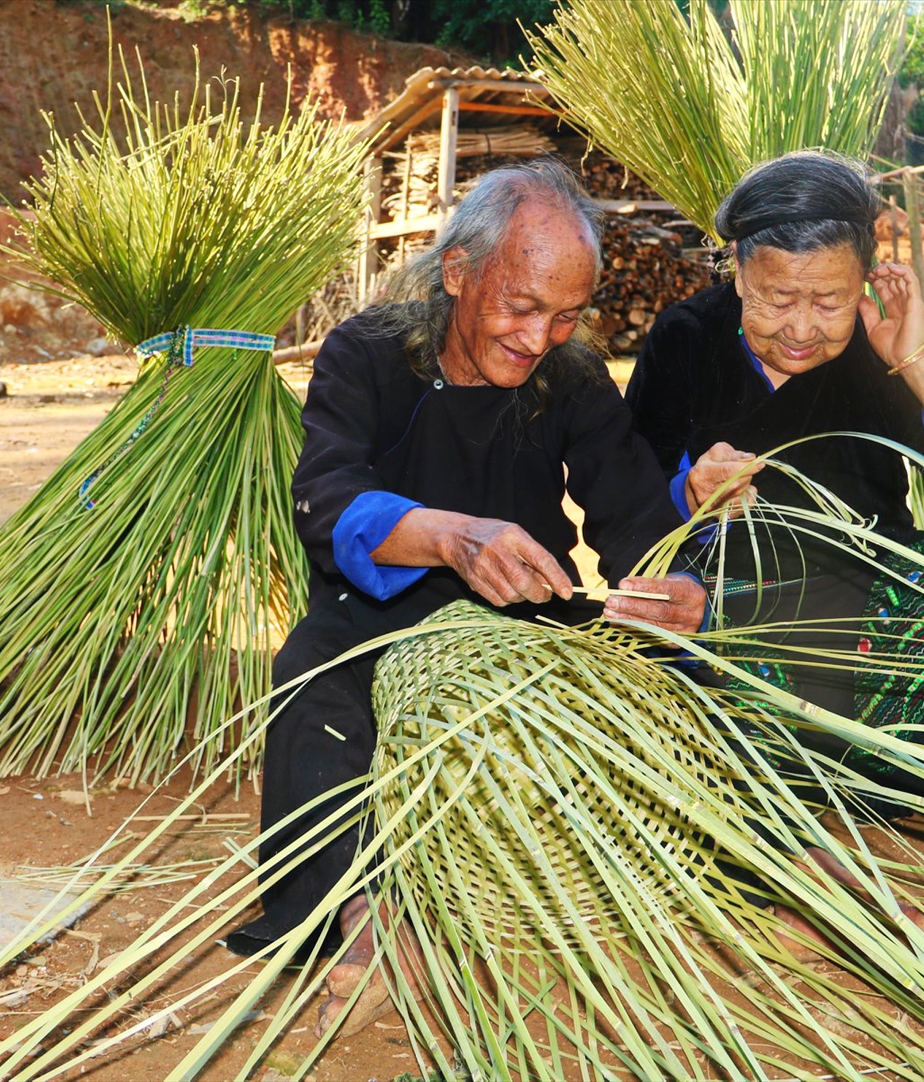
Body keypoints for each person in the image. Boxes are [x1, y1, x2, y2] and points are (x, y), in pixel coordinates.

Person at [224, 160, 706, 1035]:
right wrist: (448, 535)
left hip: (527, 617)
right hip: (373, 615)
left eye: (565, 317)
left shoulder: (574, 379)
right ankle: (360, 923)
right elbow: (325, 499)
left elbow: (633, 513)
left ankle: (740, 882)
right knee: (315, 684)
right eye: (520, 307)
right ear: (458, 273)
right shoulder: (367, 355)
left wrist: (672, 586)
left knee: (666, 687)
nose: (539, 338)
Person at [626, 150, 924, 823]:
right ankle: (763, 778)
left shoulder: (878, 344)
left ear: (865, 279)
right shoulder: (686, 338)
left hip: (866, 595)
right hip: (735, 593)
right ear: (739, 271)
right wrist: (689, 493)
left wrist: (915, 359)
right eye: (779, 298)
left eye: (829, 300)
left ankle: (893, 775)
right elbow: (628, 498)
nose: (803, 329)